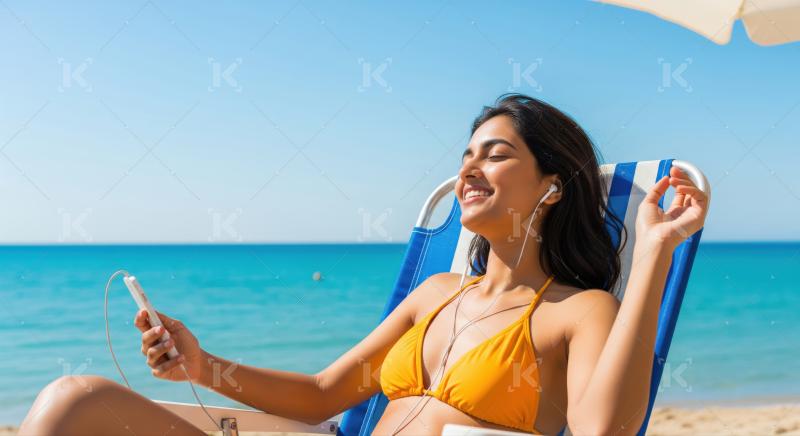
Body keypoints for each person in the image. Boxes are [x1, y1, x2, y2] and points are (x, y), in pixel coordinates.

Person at [18, 94, 709, 435]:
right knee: (74, 402)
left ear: (552, 185)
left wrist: (650, 256)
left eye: (496, 154)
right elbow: (324, 395)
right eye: (466, 154)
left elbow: (602, 433)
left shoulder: (578, 310)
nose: (470, 167)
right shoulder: (436, 292)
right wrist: (202, 367)